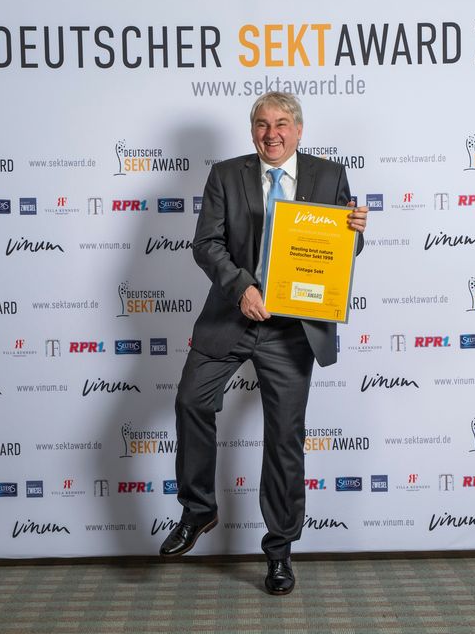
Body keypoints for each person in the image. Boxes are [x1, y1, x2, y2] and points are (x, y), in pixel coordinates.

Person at [159, 92, 368, 595]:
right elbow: (206, 244)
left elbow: (340, 248)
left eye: (281, 124)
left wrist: (355, 233)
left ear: (298, 129)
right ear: (252, 130)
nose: (271, 134)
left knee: (283, 438)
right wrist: (242, 288)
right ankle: (198, 509)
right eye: (261, 124)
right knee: (191, 400)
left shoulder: (329, 175)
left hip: (292, 328)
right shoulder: (225, 175)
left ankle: (279, 552)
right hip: (231, 316)